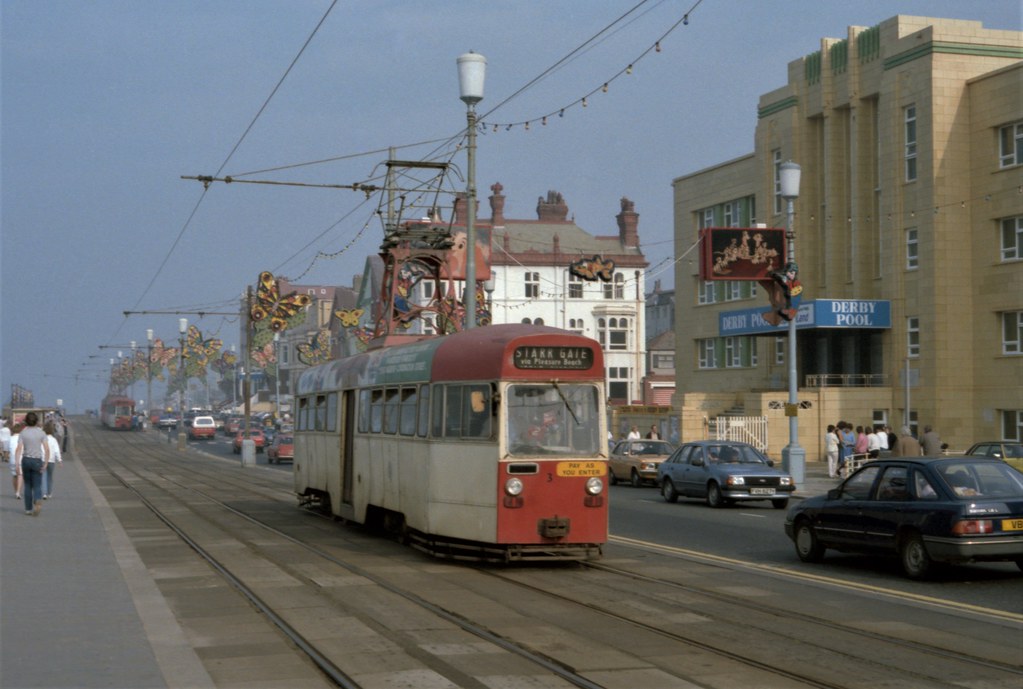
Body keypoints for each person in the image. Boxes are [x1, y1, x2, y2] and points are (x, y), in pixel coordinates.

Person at [14, 412, 50, 516]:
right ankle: (38, 499)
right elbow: (47, 449)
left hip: (26, 460)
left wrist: (17, 464)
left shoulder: (23, 433)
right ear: (37, 421)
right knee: (37, 484)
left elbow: (18, 449)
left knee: (28, 485)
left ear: (26, 421)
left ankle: (28, 509)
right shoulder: (41, 433)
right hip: (37, 460)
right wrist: (46, 463)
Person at [42, 420, 63, 499]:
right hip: (51, 460)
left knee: (43, 476)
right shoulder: (54, 440)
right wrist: (59, 460)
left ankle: (44, 493)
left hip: (43, 460)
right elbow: (57, 450)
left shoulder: (42, 439)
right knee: (50, 477)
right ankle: (49, 493)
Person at [9, 422, 22, 499]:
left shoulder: (10, 438)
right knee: (20, 475)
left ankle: (15, 490)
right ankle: (18, 491)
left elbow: (8, 449)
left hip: (12, 459)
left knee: (14, 475)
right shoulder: (21, 438)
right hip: (20, 458)